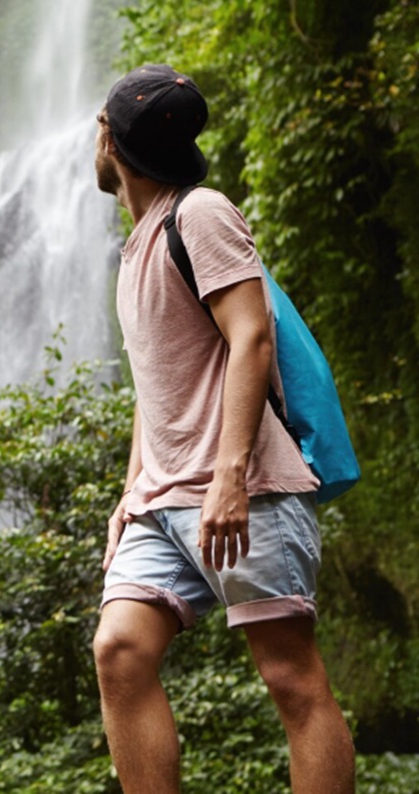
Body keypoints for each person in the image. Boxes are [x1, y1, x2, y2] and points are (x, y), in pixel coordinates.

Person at [91, 64, 355, 793]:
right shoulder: (140, 242)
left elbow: (251, 337)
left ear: (110, 140)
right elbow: (158, 383)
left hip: (246, 492)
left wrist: (231, 473)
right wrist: (129, 490)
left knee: (292, 680)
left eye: (98, 126)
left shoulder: (200, 214)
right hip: (160, 501)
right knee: (119, 650)